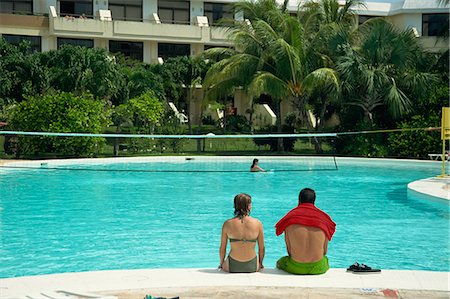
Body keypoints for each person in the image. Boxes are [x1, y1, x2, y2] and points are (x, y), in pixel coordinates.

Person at [275, 188, 336, 275]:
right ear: (314, 201)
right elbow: (324, 252)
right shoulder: (323, 219)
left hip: (295, 267)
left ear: (299, 200)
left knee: (280, 262)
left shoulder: (290, 218)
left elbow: (289, 252)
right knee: (325, 259)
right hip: (318, 267)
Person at [219, 193, 265, 273]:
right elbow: (262, 248)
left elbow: (223, 248)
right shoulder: (257, 223)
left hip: (231, 265)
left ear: (235, 206)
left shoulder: (227, 224)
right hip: (252, 265)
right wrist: (261, 263)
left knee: (225, 264)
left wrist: (221, 263)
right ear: (249, 206)